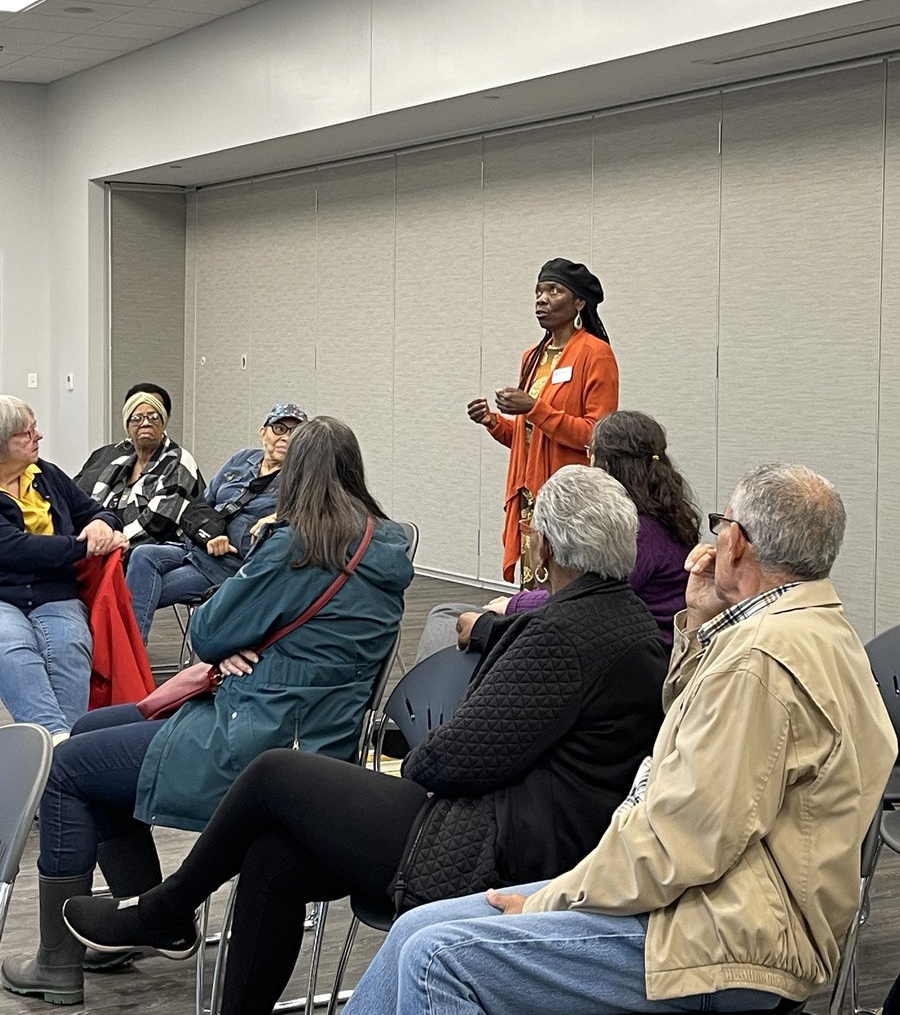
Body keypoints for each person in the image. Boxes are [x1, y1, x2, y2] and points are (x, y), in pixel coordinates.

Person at [60, 466, 668, 1015]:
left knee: (275, 774)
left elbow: (447, 763)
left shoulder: (563, 635)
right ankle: (173, 925)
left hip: (497, 845)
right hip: (537, 832)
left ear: (548, 543)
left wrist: (422, 752)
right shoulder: (627, 621)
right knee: (272, 859)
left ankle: (163, 909)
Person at [338, 463, 898, 1015]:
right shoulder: (822, 632)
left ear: (737, 544)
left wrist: (549, 898)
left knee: (437, 958)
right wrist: (699, 620)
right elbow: (694, 753)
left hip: (724, 938)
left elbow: (683, 843)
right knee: (417, 927)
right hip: (731, 907)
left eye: (720, 525)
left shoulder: (757, 663)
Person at [1, 416, 412, 1007]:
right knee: (91, 731)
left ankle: (59, 962)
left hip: (253, 737)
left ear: (295, 475)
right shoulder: (386, 545)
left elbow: (213, 630)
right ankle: (144, 918)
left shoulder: (297, 545)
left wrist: (249, 635)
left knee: (69, 768)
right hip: (320, 737)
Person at [418, 410, 699, 659]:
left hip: (618, 652)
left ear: (607, 465)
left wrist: (513, 605)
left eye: (590, 451)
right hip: (623, 641)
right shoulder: (662, 518)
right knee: (456, 615)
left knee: (449, 618)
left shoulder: (638, 532)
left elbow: (585, 598)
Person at [468, 258, 618, 585]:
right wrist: (493, 421)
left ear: (579, 301)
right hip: (529, 495)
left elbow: (596, 436)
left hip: (567, 498)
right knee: (531, 585)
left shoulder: (595, 353)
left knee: (556, 587)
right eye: (538, 291)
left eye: (554, 290)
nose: (541, 299)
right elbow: (531, 440)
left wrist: (534, 408)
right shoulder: (532, 357)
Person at [0, 395, 129, 743]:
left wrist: (102, 524)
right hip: (4, 595)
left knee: (72, 645)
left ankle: (60, 748)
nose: (38, 436)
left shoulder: (46, 475)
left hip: (56, 592)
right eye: (26, 433)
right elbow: (13, 548)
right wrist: (83, 546)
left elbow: (94, 510)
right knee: (10, 645)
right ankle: (60, 741)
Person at [125, 402, 307, 641]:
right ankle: (129, 655)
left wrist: (280, 517)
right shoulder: (242, 459)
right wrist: (212, 535)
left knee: (136, 594)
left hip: (225, 568)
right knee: (143, 554)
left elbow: (313, 515)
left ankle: (129, 656)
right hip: (195, 547)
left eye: (296, 433)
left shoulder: (302, 479)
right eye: (279, 429)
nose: (286, 438)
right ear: (263, 432)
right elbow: (199, 506)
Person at [74, 385, 202, 549]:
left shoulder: (178, 461)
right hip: (111, 547)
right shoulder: (119, 464)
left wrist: (111, 541)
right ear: (128, 428)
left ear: (164, 423)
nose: (146, 423)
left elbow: (157, 525)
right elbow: (95, 506)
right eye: (137, 418)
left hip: (156, 551)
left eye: (154, 417)